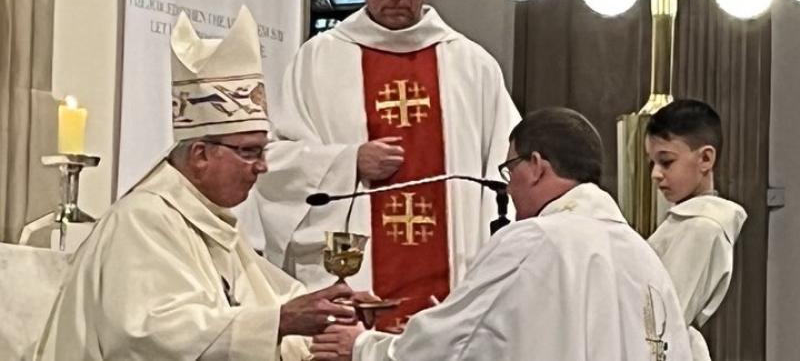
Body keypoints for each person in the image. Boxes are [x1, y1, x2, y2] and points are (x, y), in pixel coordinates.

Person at [30, 7, 358, 361]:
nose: (262, 166)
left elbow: (271, 299)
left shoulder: (208, 222)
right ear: (201, 154)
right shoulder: (144, 220)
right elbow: (150, 336)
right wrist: (281, 322)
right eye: (249, 152)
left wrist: (329, 316)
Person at [243, 0, 520, 329]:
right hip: (356, 287)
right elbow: (275, 164)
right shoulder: (318, 61)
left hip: (453, 287)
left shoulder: (473, 66)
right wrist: (347, 161)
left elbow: (507, 176)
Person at [308, 107, 692, 361]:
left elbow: (445, 348)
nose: (508, 187)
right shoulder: (644, 256)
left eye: (511, 169)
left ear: (537, 166)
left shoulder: (534, 240)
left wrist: (361, 346)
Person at [645, 99, 747, 361]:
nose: (656, 174)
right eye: (652, 163)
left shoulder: (702, 226)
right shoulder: (686, 220)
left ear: (705, 158)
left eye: (666, 162)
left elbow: (663, 320)